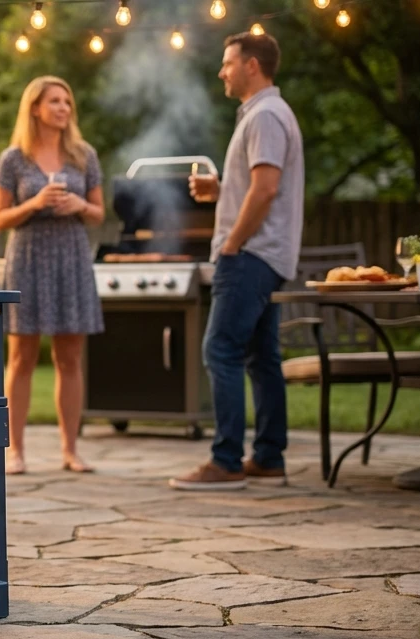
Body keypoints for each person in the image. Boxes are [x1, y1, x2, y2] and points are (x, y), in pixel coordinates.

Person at [171, 32, 304, 491]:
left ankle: (225, 460)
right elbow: (256, 183)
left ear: (252, 65)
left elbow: (266, 189)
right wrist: (222, 188)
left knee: (220, 349)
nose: (221, 71)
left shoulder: (265, 115)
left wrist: (231, 245)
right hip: (266, 253)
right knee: (261, 355)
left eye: (228, 63)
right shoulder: (267, 113)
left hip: (249, 253)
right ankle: (268, 457)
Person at [0, 76, 105, 475]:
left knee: (69, 357)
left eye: (67, 101)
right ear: (35, 108)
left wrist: (78, 204)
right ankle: (15, 450)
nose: (63, 108)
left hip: (71, 257)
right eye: (55, 101)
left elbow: (99, 213)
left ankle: (70, 450)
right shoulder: (13, 159)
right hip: (28, 258)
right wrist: (35, 202)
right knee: (21, 358)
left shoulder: (84, 155)